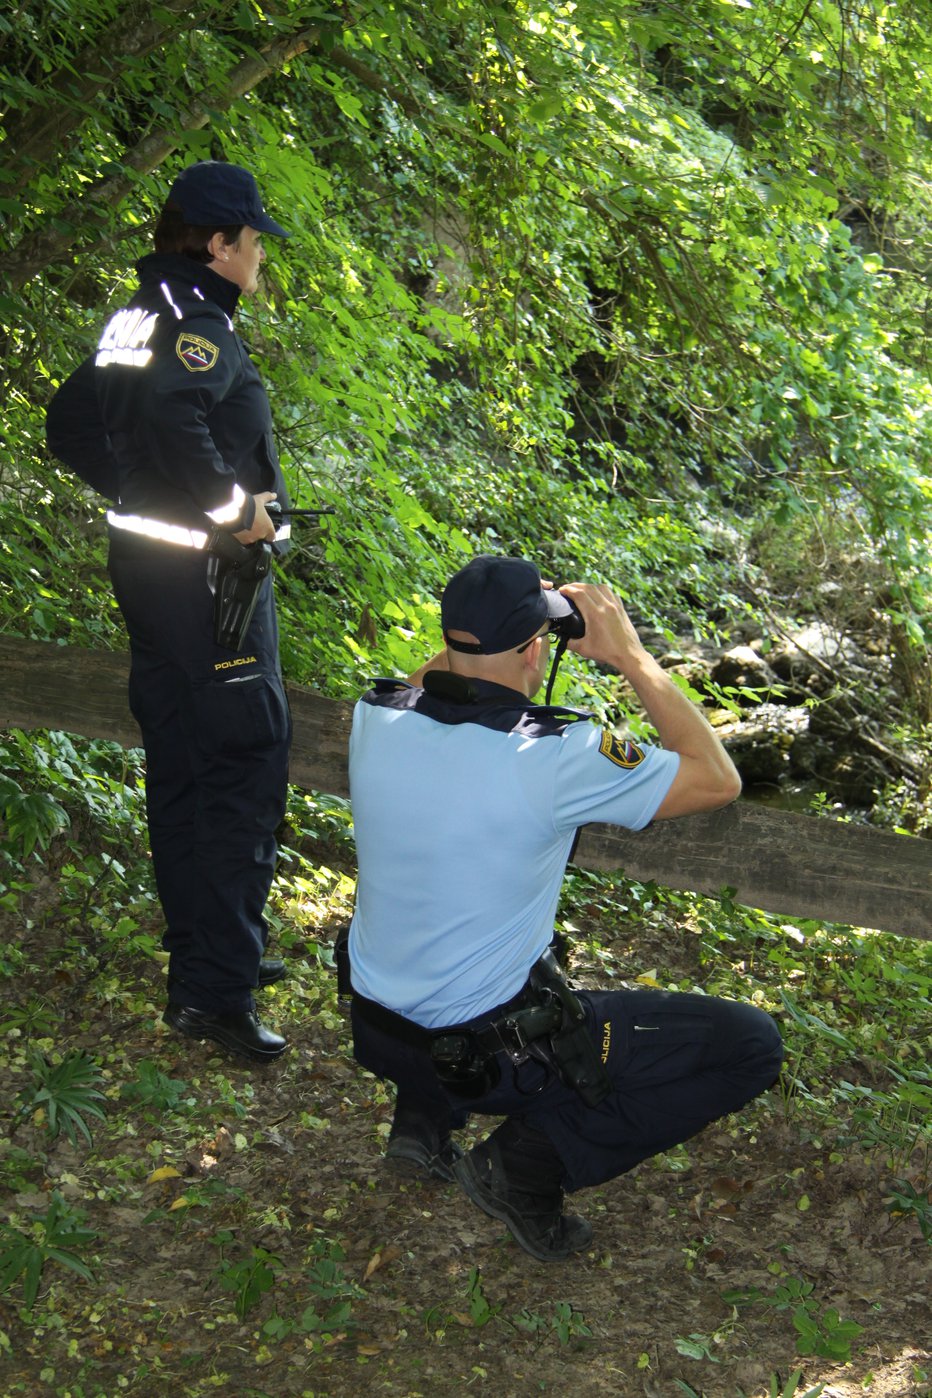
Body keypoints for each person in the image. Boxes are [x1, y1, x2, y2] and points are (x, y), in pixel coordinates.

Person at [346, 555, 784, 1260]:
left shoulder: (377, 717)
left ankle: (421, 1120)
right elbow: (716, 779)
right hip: (491, 1057)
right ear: (534, 649)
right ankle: (524, 1164)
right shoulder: (557, 755)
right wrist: (632, 656)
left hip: (381, 1032)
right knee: (752, 1046)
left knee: (498, 939)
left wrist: (498, 624)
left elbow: (439, 678)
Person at [46, 161, 295, 1062]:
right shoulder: (196, 324)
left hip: (149, 571)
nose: (260, 254)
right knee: (242, 761)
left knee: (184, 760)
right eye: (253, 239)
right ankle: (216, 994)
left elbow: (68, 422)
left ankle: (207, 956)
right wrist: (238, 515)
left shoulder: (133, 314)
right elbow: (175, 410)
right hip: (207, 583)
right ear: (219, 244)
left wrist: (140, 498)